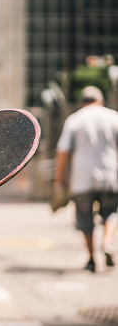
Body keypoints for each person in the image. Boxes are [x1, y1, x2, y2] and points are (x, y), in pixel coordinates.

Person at [55, 86, 118, 273]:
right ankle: (107, 242)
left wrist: (60, 178)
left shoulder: (74, 120)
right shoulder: (114, 117)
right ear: (101, 101)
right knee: (111, 211)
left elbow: (63, 151)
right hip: (110, 175)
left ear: (82, 102)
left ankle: (91, 259)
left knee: (85, 219)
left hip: (82, 179)